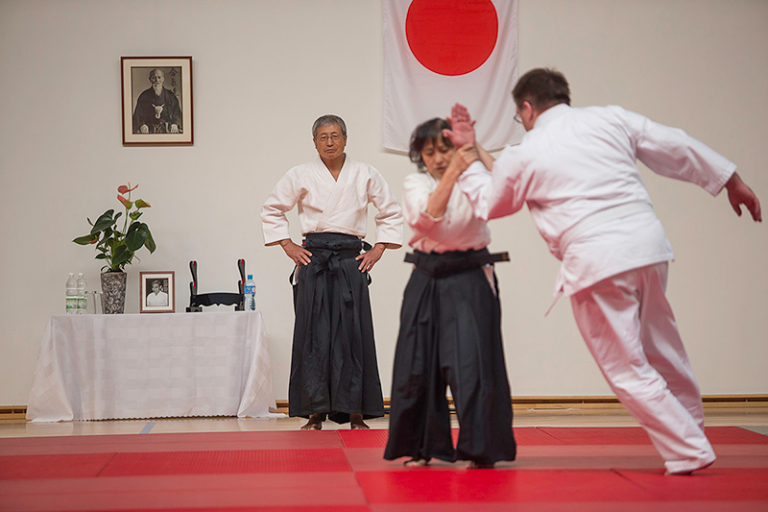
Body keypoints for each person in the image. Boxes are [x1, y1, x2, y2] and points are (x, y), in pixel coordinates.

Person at [447, 68, 762, 476]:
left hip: (597, 260)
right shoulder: (609, 118)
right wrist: (729, 179)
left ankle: (688, 449)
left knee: (626, 366)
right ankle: (691, 430)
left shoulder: (527, 150)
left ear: (526, 108)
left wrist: (469, 157)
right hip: (647, 247)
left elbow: (491, 203)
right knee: (664, 349)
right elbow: (674, 143)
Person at [383, 119, 517, 469]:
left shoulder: (475, 180)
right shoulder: (416, 183)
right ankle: (422, 447)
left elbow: (509, 189)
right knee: (416, 364)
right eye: (430, 153)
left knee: (472, 364)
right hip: (426, 276)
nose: (439, 158)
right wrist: (456, 167)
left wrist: (474, 151)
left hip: (469, 275)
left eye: (445, 150)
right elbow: (427, 218)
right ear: (420, 157)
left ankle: (481, 450)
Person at [261, 114, 404, 430]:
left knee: (353, 334)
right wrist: (287, 245)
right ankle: (314, 412)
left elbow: (391, 211)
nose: (329, 142)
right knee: (314, 334)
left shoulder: (365, 173)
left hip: (350, 260)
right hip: (315, 260)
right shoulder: (300, 174)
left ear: (345, 139)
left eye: (335, 136)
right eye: (323, 137)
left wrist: (379, 248)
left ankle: (355, 412)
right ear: (314, 142)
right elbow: (272, 209)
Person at [132, 68, 182, 134]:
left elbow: (177, 112)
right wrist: (142, 124)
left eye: (159, 77)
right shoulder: (144, 96)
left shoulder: (170, 95)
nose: (157, 80)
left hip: (167, 128)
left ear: (163, 79)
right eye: (154, 78)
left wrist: (175, 123)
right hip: (149, 129)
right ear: (150, 79)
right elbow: (138, 114)